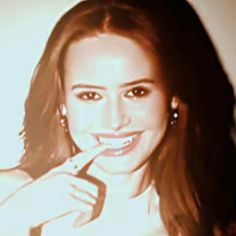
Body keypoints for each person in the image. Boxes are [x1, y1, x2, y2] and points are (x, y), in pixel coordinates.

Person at [0, 0, 236, 235]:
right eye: (90, 95)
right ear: (62, 105)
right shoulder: (9, 195)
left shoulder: (210, 219)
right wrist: (14, 220)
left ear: (172, 97)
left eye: (136, 92)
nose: (115, 121)